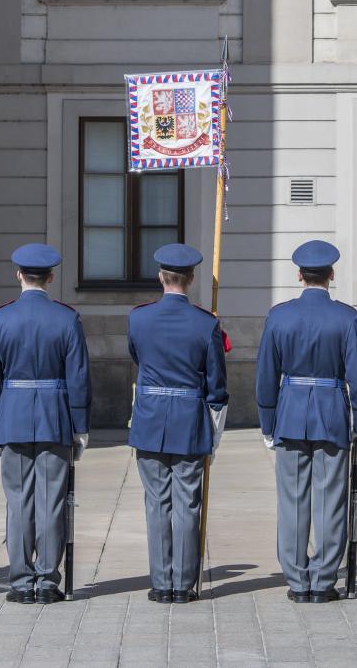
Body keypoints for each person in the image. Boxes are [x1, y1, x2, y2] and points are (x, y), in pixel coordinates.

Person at [256, 240, 357, 604]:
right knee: (330, 500)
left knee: (292, 501)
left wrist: (266, 422)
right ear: (331, 275)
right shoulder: (347, 318)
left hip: (290, 415)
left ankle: (296, 579)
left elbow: (265, 377)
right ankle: (323, 581)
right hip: (332, 416)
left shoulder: (278, 316)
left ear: (299, 275)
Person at [0, 244, 92, 604]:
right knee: (51, 502)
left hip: (12, 416)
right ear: (51, 277)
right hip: (54, 417)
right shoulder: (66, 318)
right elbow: (79, 379)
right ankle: (47, 580)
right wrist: (81, 425)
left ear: (18, 276)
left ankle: (20, 582)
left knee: (18, 502)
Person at [128, 243, 228, 604]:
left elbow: (138, 358)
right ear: (192, 278)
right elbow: (217, 385)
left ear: (160, 276)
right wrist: (215, 434)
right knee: (187, 503)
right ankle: (184, 584)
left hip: (151, 417)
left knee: (157, 502)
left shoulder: (138, 318)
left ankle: (160, 581)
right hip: (189, 419)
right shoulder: (206, 323)